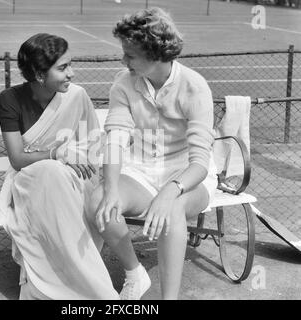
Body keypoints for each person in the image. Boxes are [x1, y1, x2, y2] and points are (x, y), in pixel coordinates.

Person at [87, 7, 218, 300]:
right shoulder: (123, 82)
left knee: (171, 210)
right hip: (142, 170)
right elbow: (116, 140)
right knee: (99, 202)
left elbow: (199, 163)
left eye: (130, 55)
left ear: (155, 53)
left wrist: (170, 191)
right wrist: (109, 189)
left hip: (188, 176)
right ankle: (136, 274)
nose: (123, 60)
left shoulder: (195, 87)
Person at [0, 33, 119, 300]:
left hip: (76, 176)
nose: (71, 74)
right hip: (28, 179)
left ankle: (80, 279)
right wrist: (58, 153)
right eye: (63, 68)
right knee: (50, 172)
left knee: (58, 176)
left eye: (70, 65)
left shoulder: (77, 96)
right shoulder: (9, 99)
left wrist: (72, 157)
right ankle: (59, 285)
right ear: (40, 74)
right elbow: (17, 159)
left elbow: (93, 145)